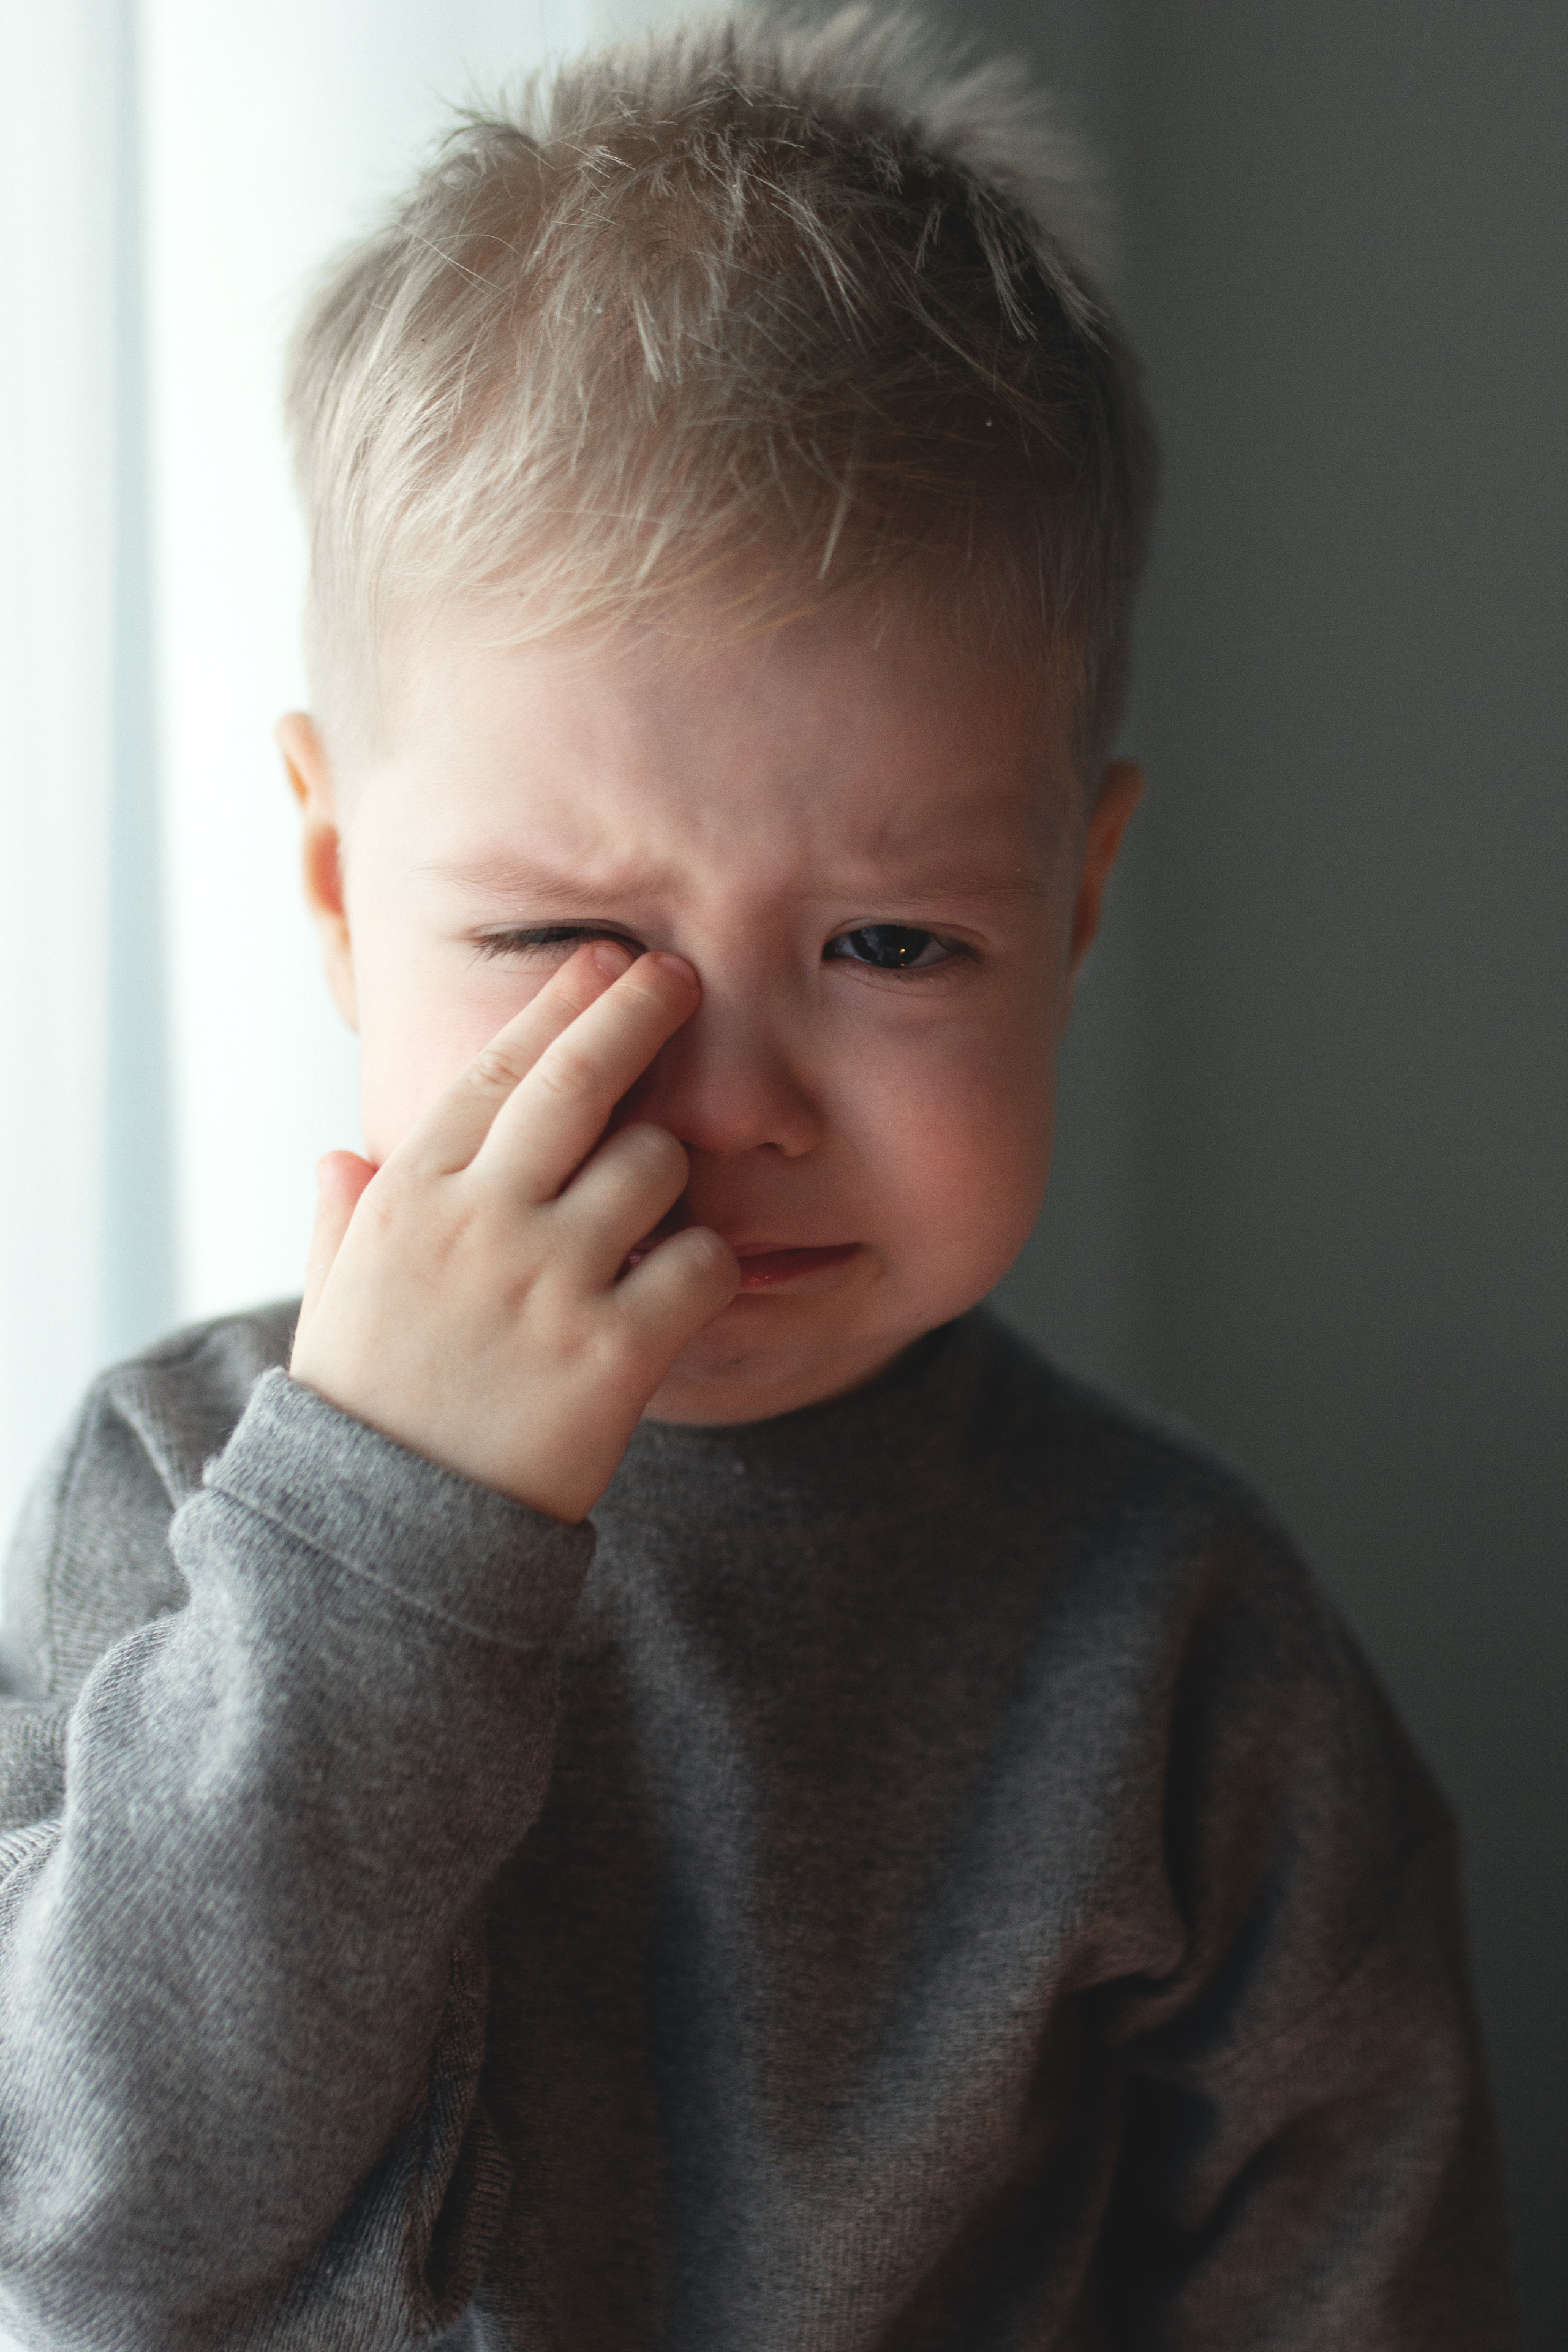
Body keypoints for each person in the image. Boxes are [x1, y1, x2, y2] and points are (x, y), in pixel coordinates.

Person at [0, 9, 1512, 2346]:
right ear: (330, 879)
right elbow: (97, 2216)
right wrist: (392, 1526)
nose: (725, 1101)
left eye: (893, 943)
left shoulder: (1183, 1643)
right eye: (573, 942)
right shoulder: (185, 1496)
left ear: (1077, 906)